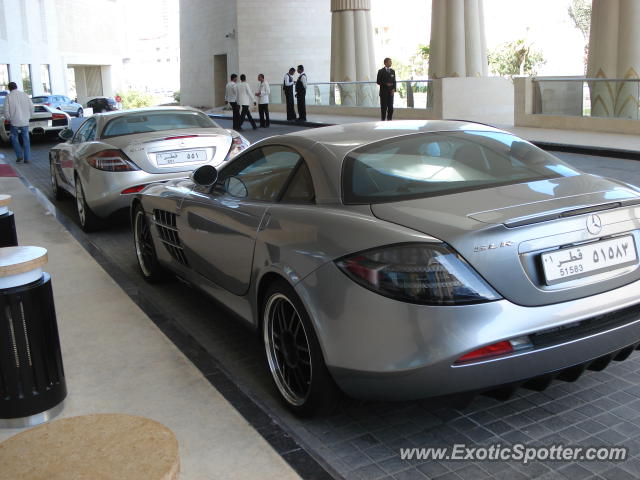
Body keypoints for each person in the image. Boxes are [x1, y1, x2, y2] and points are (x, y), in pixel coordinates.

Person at [3, 82, 33, 164]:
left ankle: (19, 156)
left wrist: (9, 119)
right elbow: (31, 107)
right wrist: (29, 116)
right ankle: (27, 158)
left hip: (14, 122)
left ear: (9, 88)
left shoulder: (8, 97)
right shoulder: (25, 95)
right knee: (26, 139)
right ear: (17, 87)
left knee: (14, 138)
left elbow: (5, 110)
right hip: (25, 121)